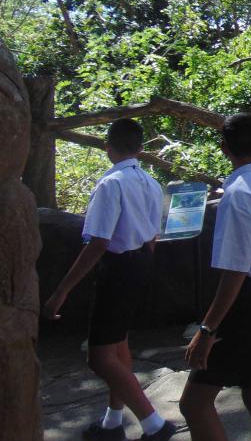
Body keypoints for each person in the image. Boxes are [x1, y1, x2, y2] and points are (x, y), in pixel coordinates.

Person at [43, 119, 175, 441]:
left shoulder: (111, 184)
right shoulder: (151, 183)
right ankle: (112, 422)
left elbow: (99, 241)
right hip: (141, 262)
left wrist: (61, 291)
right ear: (141, 148)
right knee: (118, 343)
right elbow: (153, 236)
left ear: (108, 147)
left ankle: (154, 424)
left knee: (99, 358)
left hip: (118, 268)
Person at [179, 113, 251, 440]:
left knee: (194, 404)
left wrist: (207, 330)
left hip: (247, 304)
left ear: (224, 148)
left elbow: (236, 270)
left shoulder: (238, 193)